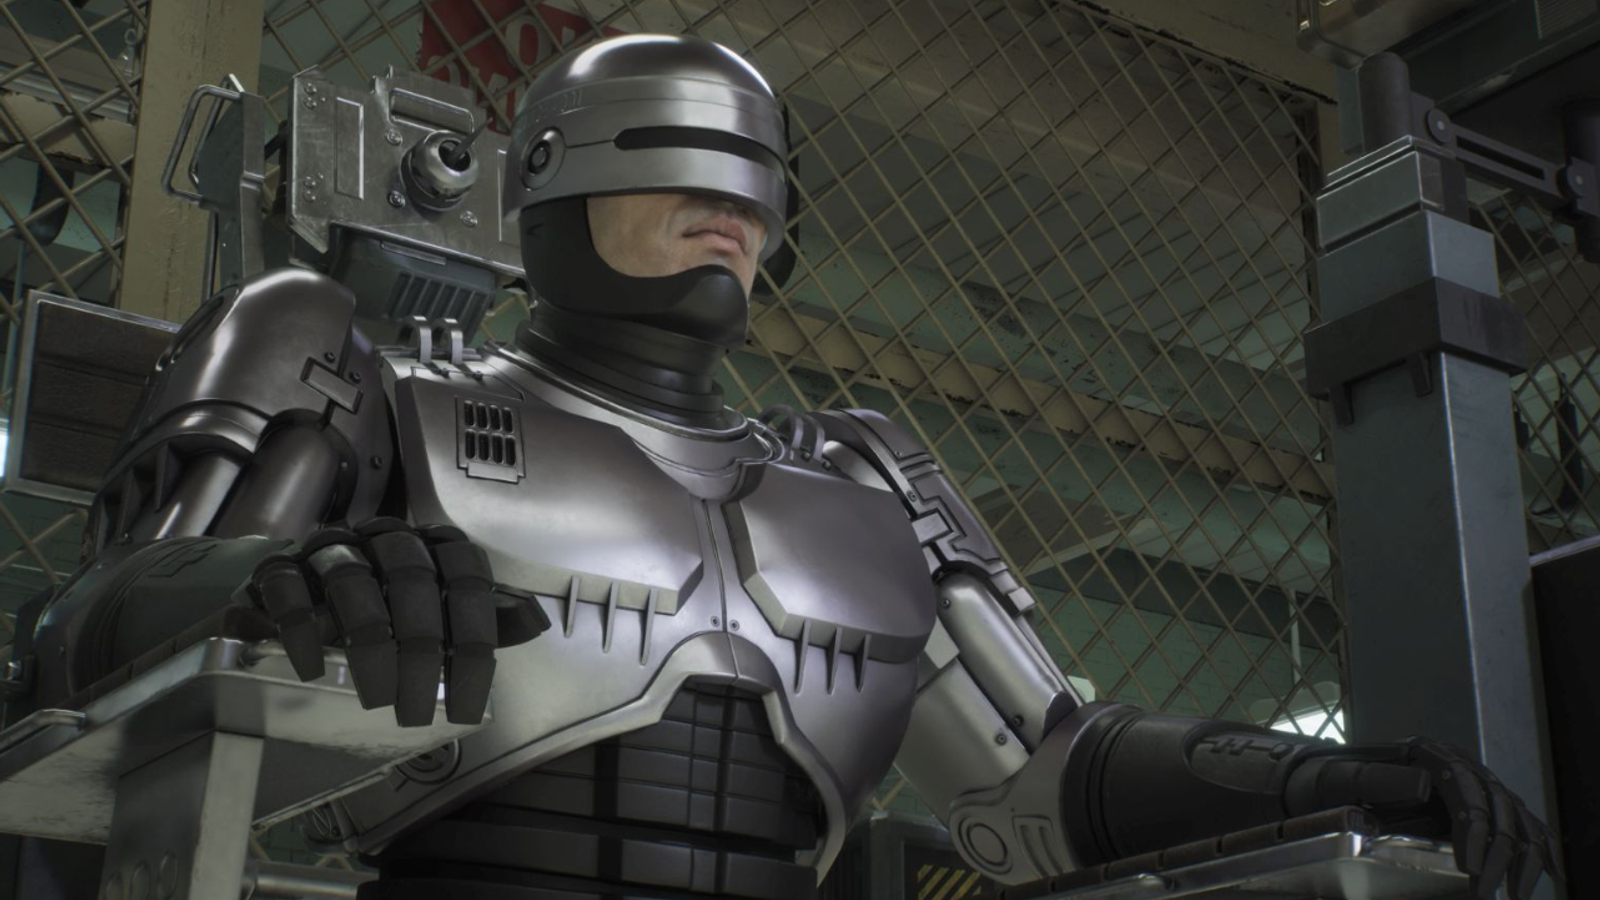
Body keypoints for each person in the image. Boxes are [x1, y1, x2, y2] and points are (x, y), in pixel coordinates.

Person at [24, 34, 1557, 900]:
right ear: (549, 182)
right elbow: (78, 642)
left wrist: (1319, 774)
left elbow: (1039, 784)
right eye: (675, 159)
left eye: (753, 184)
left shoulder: (860, 481)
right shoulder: (364, 376)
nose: (728, 208)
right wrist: (275, 587)